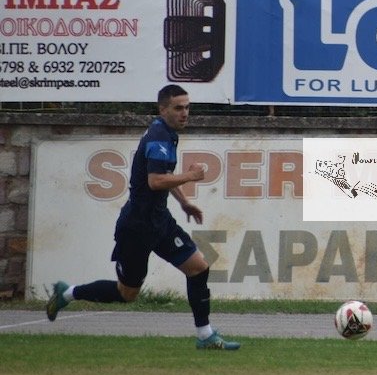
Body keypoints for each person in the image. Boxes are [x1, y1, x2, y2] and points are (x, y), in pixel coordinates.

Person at [46, 84, 240, 351]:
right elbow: (155, 181)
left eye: (187, 108)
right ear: (163, 109)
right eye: (178, 108)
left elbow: (163, 175)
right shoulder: (159, 136)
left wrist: (184, 202)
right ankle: (67, 293)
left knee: (198, 267)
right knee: (127, 293)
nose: (185, 113)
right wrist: (191, 176)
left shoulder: (167, 133)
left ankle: (205, 335)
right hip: (137, 227)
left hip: (159, 221)